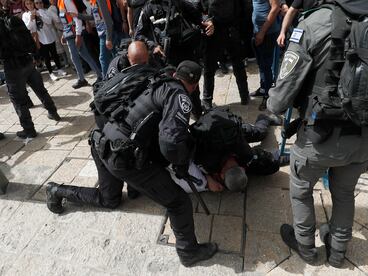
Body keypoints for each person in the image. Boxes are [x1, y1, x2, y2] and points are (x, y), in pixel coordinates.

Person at [266, 0, 368, 267]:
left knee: (301, 189)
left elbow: (278, 102)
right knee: (344, 193)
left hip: (320, 138)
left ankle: (306, 247)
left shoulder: (315, 22)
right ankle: (338, 251)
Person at [46, 60, 218, 266]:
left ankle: (56, 191)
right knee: (178, 202)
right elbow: (170, 143)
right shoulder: (179, 96)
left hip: (102, 141)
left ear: (175, 74)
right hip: (122, 158)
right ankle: (188, 252)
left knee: (110, 199)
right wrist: (181, 165)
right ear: (196, 85)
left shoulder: (156, 79)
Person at [135, 0, 214, 118]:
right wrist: (153, 46)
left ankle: (198, 116)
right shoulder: (148, 8)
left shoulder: (178, 2)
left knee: (192, 88)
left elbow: (198, 16)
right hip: (166, 57)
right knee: (171, 91)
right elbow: (139, 35)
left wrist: (208, 22)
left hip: (185, 53)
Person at [190, 107, 288, 192]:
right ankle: (264, 119)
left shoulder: (245, 153)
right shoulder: (208, 162)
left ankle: (264, 118)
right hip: (210, 125)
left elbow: (266, 159)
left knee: (260, 134)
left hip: (227, 129)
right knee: (259, 137)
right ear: (243, 168)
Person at [0, 10, 61, 138]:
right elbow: (28, 37)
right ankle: (53, 111)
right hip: (27, 61)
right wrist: (35, 54)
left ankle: (29, 129)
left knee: (18, 100)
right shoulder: (13, 19)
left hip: (12, 66)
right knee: (40, 90)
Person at [200, 0, 250, 109]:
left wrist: (241, 29)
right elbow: (197, 8)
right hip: (212, 31)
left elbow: (244, 7)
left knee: (238, 65)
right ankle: (207, 99)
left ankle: (244, 95)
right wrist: (207, 20)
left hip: (231, 28)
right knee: (209, 67)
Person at [57, 0, 102, 89]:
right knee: (84, 55)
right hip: (70, 33)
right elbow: (66, 19)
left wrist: (78, 35)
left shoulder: (66, 1)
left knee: (75, 57)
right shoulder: (60, 1)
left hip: (73, 33)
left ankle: (82, 79)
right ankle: (98, 75)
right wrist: (64, 34)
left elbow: (76, 17)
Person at [67, 0, 115, 77]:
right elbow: (93, 17)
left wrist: (108, 38)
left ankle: (106, 79)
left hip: (106, 33)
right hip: (102, 33)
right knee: (111, 56)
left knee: (103, 59)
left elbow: (108, 20)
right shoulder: (93, 2)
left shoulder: (99, 1)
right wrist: (77, 15)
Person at [22, 0, 67, 81]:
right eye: (27, 4)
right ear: (25, 5)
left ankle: (60, 69)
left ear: (34, 3)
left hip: (49, 35)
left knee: (54, 53)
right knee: (46, 56)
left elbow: (49, 21)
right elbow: (28, 28)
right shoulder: (25, 15)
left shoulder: (41, 11)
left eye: (31, 3)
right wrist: (31, 19)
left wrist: (40, 15)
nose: (30, 5)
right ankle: (51, 73)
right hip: (40, 38)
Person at [250, 0, 281, 111]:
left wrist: (262, 32)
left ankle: (267, 95)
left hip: (267, 33)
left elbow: (275, 8)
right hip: (257, 31)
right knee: (261, 65)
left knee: (266, 66)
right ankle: (263, 88)